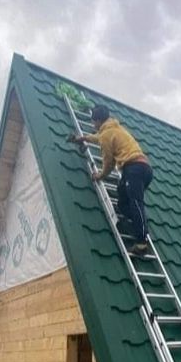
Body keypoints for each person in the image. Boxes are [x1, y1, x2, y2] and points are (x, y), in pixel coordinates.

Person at [71, 105, 153, 255]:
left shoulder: (106, 134)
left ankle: (141, 243)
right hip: (142, 168)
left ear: (98, 121)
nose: (93, 125)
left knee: (135, 202)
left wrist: (100, 175)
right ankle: (139, 222)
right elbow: (99, 138)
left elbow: (109, 163)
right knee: (123, 203)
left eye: (94, 122)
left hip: (134, 168)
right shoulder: (115, 128)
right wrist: (84, 138)